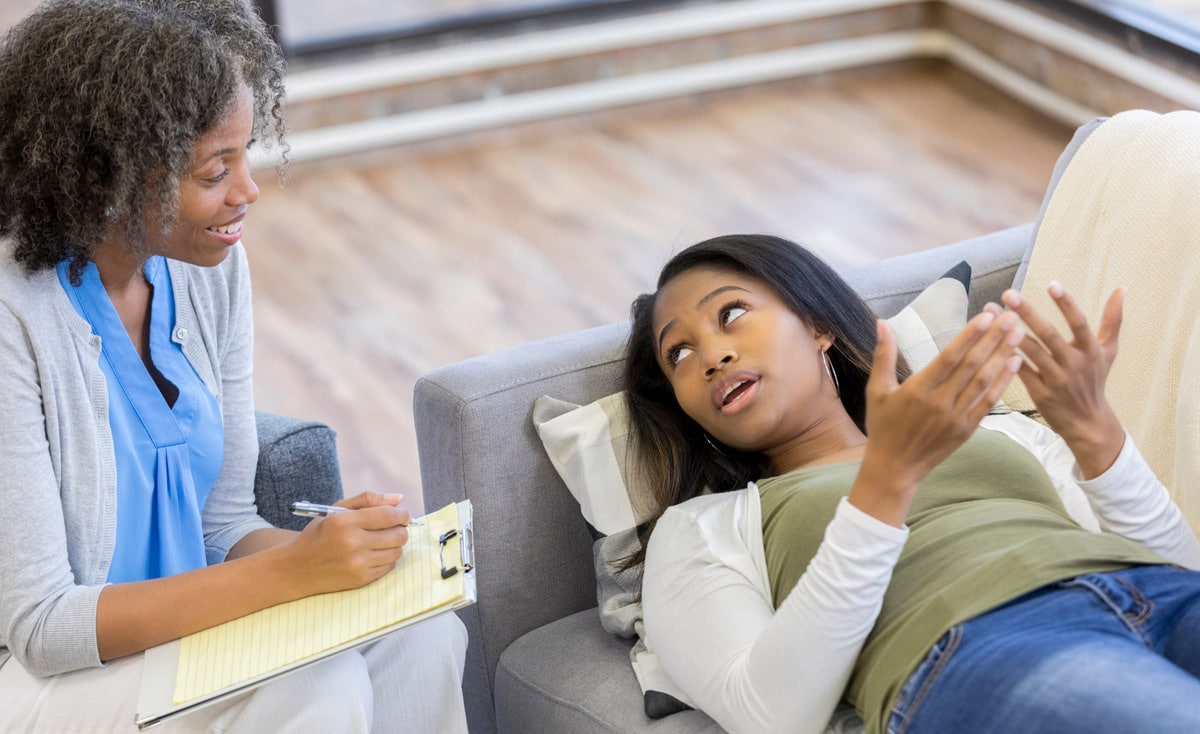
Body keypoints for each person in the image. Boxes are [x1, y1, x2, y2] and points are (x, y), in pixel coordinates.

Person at [0, 1, 468, 731]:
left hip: (181, 637)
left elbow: (220, 525)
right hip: (38, 679)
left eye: (247, 152)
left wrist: (335, 559)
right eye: (216, 169)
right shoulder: (13, 317)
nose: (248, 190)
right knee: (316, 690)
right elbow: (43, 627)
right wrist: (290, 573)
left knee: (422, 632)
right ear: (105, 177)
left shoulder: (209, 270)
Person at [623, 233, 1200, 734]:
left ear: (817, 324)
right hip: (984, 648)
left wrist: (1096, 433)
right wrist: (885, 483)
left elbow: (1177, 566)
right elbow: (768, 714)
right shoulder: (705, 527)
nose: (711, 357)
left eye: (729, 315)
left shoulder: (999, 433)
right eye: (679, 353)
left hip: (1161, 594)